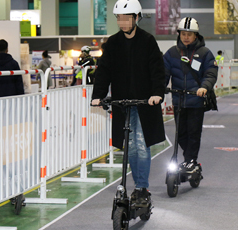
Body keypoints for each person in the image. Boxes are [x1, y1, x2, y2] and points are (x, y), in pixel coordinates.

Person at [91, 0, 166, 205]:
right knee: (130, 146)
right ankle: (137, 186)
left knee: (141, 144)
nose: (122, 22)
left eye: (126, 18)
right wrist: (98, 95)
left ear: (136, 18)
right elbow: (104, 70)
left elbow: (158, 70)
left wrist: (157, 93)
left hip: (144, 103)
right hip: (122, 103)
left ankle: (142, 188)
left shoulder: (148, 41)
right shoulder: (113, 43)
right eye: (119, 18)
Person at [163, 17, 217, 172]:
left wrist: (204, 87)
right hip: (178, 100)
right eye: (183, 34)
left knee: (193, 132)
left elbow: (211, 73)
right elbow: (164, 74)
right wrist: (159, 90)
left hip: (196, 100)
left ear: (196, 36)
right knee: (180, 134)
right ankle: (189, 158)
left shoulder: (204, 53)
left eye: (190, 34)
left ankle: (190, 160)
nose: (186, 37)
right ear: (179, 34)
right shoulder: (172, 53)